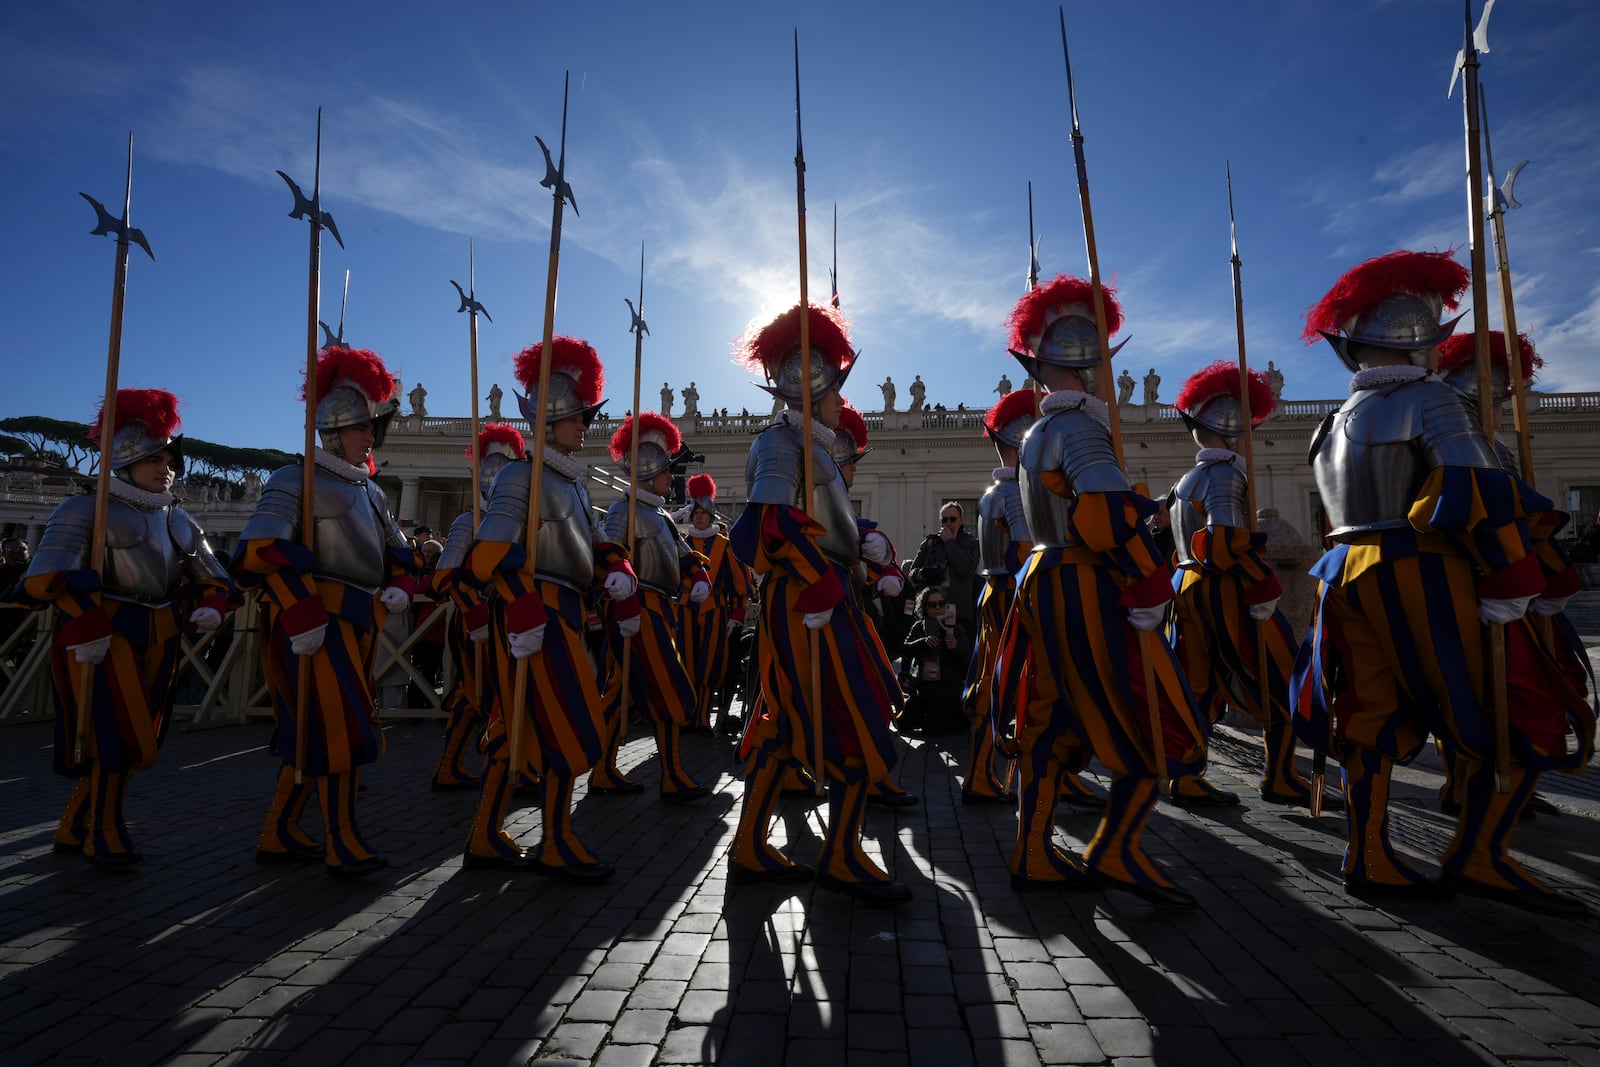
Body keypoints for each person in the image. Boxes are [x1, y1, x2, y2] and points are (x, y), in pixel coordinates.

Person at [1292, 250, 1591, 916]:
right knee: (1526, 708)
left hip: (1345, 573)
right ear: (1428, 341)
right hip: (1421, 567)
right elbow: (1475, 492)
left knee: (1369, 715)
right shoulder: (1433, 401)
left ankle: (1367, 853)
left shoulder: (1327, 425)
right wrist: (1519, 575)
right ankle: (1479, 853)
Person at [997, 274, 1207, 904]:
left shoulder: (1037, 432)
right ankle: (1116, 848)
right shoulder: (1084, 431)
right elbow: (1102, 519)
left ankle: (1033, 848)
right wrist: (1147, 579)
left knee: (1051, 716)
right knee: (1143, 709)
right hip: (1089, 581)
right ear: (1093, 370)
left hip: (1045, 576)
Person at [727, 300, 909, 904]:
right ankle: (839, 854)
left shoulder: (817, 447)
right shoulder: (783, 443)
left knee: (787, 721)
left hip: (821, 592)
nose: (840, 400)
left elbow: (820, 525)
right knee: (851, 715)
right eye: (833, 386)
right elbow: (766, 529)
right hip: (808, 599)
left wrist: (860, 549)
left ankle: (751, 844)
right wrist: (823, 577)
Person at [15, 389, 236, 866]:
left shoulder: (180, 521)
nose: (166, 468)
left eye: (170, 459)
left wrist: (213, 605)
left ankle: (76, 823)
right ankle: (105, 830)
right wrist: (88, 616)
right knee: (112, 735)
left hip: (160, 633)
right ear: (127, 460)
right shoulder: (82, 510)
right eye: (154, 458)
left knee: (140, 736)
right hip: (103, 632)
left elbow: (212, 579)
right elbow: (43, 580)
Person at [233, 348, 419, 877]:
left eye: (371, 428)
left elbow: (398, 551)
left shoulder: (372, 492)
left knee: (317, 727)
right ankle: (342, 839)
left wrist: (403, 581)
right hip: (312, 622)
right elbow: (256, 552)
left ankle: (279, 830)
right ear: (333, 432)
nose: (371, 437)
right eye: (361, 428)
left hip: (357, 622)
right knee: (343, 730)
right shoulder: (296, 480)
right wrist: (302, 610)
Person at [460, 336, 639, 876]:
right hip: (534, 613)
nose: (586, 425)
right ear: (552, 419)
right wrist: (522, 608)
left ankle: (485, 835)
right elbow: (487, 557)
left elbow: (591, 544)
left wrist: (617, 567)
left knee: (521, 729)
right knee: (570, 724)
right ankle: (556, 842)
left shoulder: (571, 483)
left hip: (562, 610)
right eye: (579, 417)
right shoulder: (521, 475)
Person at [1430, 330, 1593, 822]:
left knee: (1524, 687)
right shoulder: (1462, 449)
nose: (1495, 407)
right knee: (1481, 690)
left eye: (1501, 397)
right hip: (1480, 586)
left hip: (1516, 584)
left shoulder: (1499, 447)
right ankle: (1472, 786)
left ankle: (1504, 779)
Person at [1164, 361, 1325, 810]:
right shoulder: (1225, 474)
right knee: (1280, 674)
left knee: (1198, 681)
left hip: (1188, 587)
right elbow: (1222, 541)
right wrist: (1260, 584)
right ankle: (1279, 775)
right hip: (1226, 588)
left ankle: (1188, 773)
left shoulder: (1184, 480)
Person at [962, 388, 1101, 809]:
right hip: (1018, 591)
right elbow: (1028, 549)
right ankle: (1018, 774)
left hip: (997, 592)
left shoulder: (991, 493)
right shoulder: (1013, 494)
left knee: (997, 683)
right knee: (1036, 685)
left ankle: (987, 772)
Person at [594, 411, 712, 802]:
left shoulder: (659, 514)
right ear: (647, 471)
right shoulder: (622, 511)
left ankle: (605, 769)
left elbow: (680, 554)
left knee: (624, 693)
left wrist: (695, 573)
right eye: (666, 471)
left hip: (660, 607)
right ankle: (670, 774)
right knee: (667, 688)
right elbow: (610, 556)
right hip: (636, 608)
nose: (670, 478)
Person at [429, 422, 526, 790]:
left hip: (511, 617)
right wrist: (475, 612)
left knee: (504, 689)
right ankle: (466, 765)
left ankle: (510, 760)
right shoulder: (468, 522)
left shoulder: (520, 519)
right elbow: (443, 578)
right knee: (478, 692)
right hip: (479, 620)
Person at [830, 402, 916, 810]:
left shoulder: (841, 501)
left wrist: (886, 565)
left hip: (851, 609)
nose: (855, 470)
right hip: (818, 612)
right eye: (850, 463)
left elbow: (856, 546)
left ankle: (872, 772)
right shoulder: (811, 493)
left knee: (872, 691)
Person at [679, 473, 752, 734]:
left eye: (703, 513)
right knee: (685, 663)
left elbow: (741, 587)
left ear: (711, 516)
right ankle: (686, 716)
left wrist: (737, 616)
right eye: (695, 513)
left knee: (709, 666)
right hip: (685, 611)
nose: (698, 517)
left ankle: (702, 717)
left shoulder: (725, 545)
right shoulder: (682, 543)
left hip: (715, 613)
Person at [899, 588, 972, 735]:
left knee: (933, 728)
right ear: (925, 607)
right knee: (903, 724)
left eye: (941, 604)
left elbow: (967, 661)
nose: (937, 608)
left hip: (946, 687)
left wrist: (956, 647)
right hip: (923, 687)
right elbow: (905, 650)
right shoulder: (919, 626)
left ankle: (953, 715)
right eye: (932, 605)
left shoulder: (955, 627)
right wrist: (922, 642)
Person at [911, 502, 980, 635]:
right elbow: (911, 574)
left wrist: (950, 542)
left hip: (959, 613)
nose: (948, 523)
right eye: (944, 519)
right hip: (931, 612)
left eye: (953, 519)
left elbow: (965, 569)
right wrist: (923, 574)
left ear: (961, 520)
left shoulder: (971, 543)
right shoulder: (930, 543)